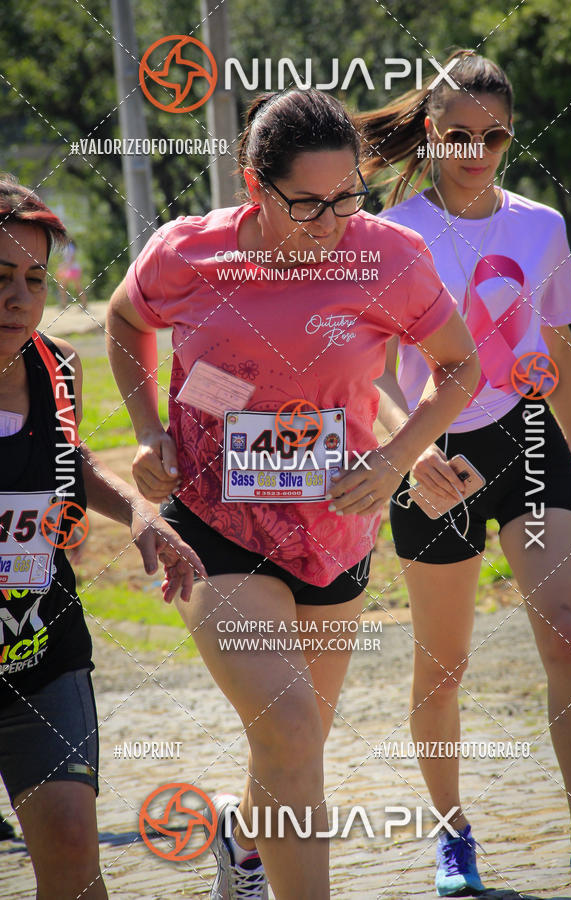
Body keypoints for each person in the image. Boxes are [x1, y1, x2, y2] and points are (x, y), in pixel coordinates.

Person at [105, 88, 479, 900]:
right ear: (253, 187)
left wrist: (397, 459)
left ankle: (242, 845)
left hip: (334, 532)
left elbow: (460, 366)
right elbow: (122, 320)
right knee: (291, 727)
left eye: (348, 196)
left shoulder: (391, 258)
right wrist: (147, 430)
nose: (332, 220)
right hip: (213, 522)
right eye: (307, 203)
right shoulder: (187, 253)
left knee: (293, 746)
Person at [359, 49, 571, 898]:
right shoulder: (393, 235)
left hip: (528, 441)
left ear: (509, 137)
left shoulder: (540, 225)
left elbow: (559, 339)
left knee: (567, 630)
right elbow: (372, 371)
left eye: (493, 136)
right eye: (458, 135)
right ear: (431, 133)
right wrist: (409, 450)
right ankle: (452, 837)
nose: (476, 151)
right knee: (444, 665)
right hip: (436, 459)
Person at [0, 174, 206, 899]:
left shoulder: (58, 367)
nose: (19, 296)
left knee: (68, 845)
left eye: (34, 277)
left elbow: (69, 460)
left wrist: (141, 516)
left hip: (40, 654)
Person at [56, 240, 88, 310]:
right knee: (63, 286)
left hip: (73, 269)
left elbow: (72, 259)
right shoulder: (67, 247)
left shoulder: (70, 246)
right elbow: (67, 259)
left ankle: (84, 304)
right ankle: (64, 304)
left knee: (77, 287)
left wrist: (64, 267)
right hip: (70, 269)